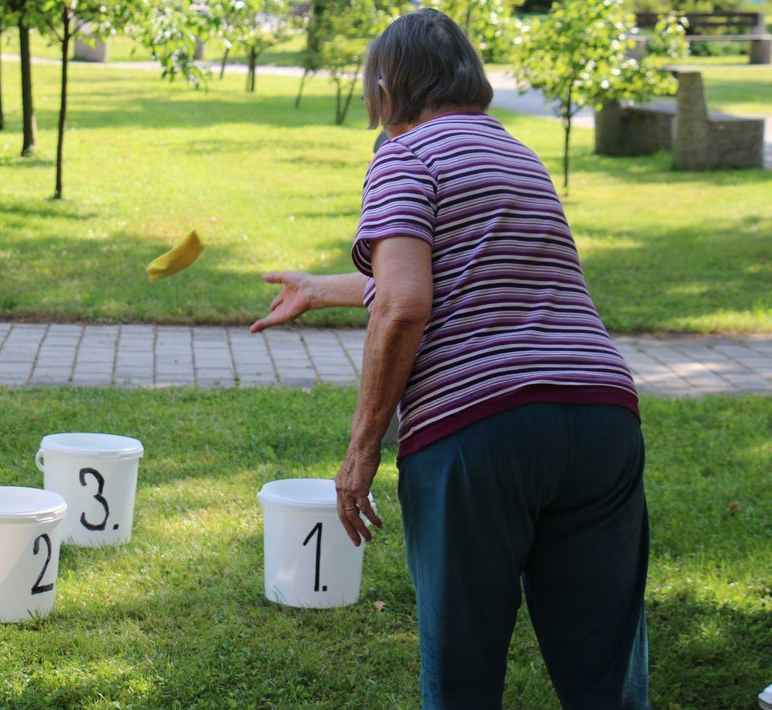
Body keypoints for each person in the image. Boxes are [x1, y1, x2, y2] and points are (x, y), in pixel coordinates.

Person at [249, 9, 650, 709]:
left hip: (480, 432)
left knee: (463, 666)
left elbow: (404, 303)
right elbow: (466, 271)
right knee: (604, 663)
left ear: (385, 87)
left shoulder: (405, 155)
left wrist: (361, 451)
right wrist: (318, 288)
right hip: (601, 417)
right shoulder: (518, 154)